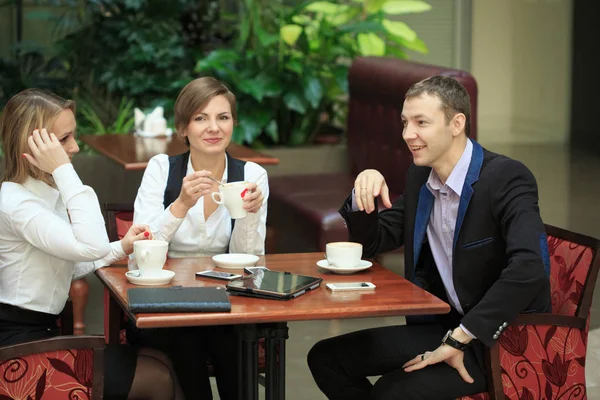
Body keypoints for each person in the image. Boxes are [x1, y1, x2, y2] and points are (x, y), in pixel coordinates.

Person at [307, 76, 551, 400]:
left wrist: (460, 338)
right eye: (405, 122)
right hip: (443, 326)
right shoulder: (421, 175)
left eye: (421, 122)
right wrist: (361, 193)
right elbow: (375, 243)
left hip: (500, 336)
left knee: (391, 392)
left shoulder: (506, 178)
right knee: (326, 359)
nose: (408, 134)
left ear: (456, 123)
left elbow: (530, 267)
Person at [0, 88, 185, 400]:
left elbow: (68, 264)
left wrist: (122, 246)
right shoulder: (18, 204)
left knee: (161, 360)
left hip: (40, 336)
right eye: (63, 139)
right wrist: (63, 170)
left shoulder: (41, 196)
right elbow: (91, 246)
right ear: (32, 145)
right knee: (158, 377)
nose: (73, 148)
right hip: (18, 351)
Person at [131, 77, 269, 399]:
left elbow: (250, 261)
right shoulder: (161, 169)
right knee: (185, 344)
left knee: (235, 343)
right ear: (183, 128)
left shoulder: (251, 175)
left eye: (223, 117)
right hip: (169, 300)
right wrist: (181, 205)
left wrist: (249, 214)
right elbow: (140, 252)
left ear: (233, 123)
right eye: (200, 118)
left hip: (227, 299)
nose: (214, 128)